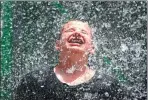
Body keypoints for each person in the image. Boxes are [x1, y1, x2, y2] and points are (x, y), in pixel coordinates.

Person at [14, 20, 132, 100]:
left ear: (92, 48)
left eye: (83, 32)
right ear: (58, 45)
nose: (76, 33)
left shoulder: (109, 86)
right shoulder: (34, 81)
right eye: (70, 30)